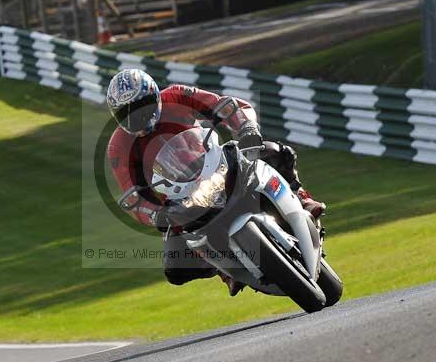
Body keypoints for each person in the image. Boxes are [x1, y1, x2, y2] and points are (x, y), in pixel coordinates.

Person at [106, 69, 325, 296]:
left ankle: (301, 197)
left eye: (142, 105)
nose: (137, 116)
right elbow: (131, 195)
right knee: (175, 268)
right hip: (180, 200)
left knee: (275, 152)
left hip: (215, 162)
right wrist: (154, 214)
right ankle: (225, 270)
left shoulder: (177, 95)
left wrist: (246, 127)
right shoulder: (118, 146)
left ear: (155, 95)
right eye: (126, 113)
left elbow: (226, 106)